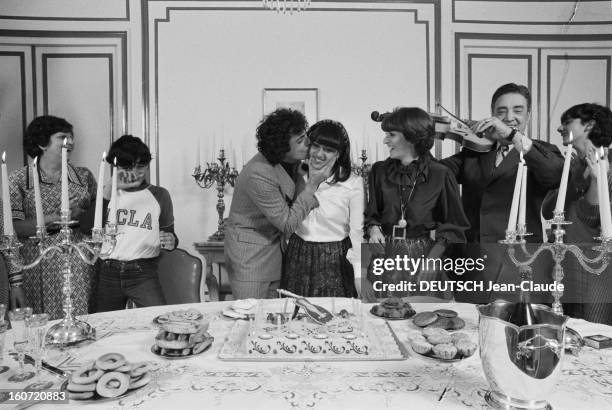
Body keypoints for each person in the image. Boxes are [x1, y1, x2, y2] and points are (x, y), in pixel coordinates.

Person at [440, 83, 564, 303]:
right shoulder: (474, 151)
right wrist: (417, 138)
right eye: (501, 111)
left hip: (520, 264)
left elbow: (555, 174)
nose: (509, 117)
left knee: (519, 333)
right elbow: (437, 174)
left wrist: (512, 135)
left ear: (528, 115)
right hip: (474, 266)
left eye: (517, 110)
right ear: (492, 115)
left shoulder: (542, 151)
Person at [225, 108, 334, 299]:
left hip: (274, 255)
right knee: (251, 317)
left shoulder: (291, 163)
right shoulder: (259, 173)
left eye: (305, 136)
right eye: (300, 141)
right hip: (251, 260)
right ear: (282, 147)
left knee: (271, 321)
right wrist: (312, 184)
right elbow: (287, 223)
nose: (308, 144)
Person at [363, 107, 470, 300]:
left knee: (420, 319)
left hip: (423, 258)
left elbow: (455, 227)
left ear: (411, 137)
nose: (385, 140)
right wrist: (374, 229)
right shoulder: (378, 171)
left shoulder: (440, 174)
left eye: (391, 135)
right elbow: (372, 215)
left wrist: (433, 260)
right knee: (382, 316)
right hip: (384, 256)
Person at [9, 115, 97, 319]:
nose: (71, 142)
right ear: (42, 143)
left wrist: (80, 215)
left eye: (72, 137)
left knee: (81, 322)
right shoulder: (19, 181)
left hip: (79, 261)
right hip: (37, 261)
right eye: (63, 137)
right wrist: (53, 217)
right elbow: (13, 230)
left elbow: (98, 219)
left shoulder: (84, 177)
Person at [90, 135, 178, 312]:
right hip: (108, 271)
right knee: (104, 325)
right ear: (116, 166)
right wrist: (108, 193)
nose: (135, 173)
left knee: (159, 320)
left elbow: (170, 234)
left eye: (141, 166)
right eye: (128, 167)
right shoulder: (106, 194)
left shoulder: (159, 195)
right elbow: (87, 227)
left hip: (143, 272)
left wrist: (171, 241)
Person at [542, 103, 612, 324]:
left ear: (589, 125)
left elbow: (591, 218)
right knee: (562, 330)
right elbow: (548, 210)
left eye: (567, 122)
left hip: (596, 270)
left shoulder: (607, 163)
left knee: (592, 334)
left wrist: (595, 181)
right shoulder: (572, 166)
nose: (559, 128)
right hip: (563, 264)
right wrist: (576, 178)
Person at [282, 120, 363, 297]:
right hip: (297, 255)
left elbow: (358, 233)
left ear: (339, 154)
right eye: (316, 146)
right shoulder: (295, 175)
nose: (319, 154)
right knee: (295, 317)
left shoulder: (353, 183)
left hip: (335, 258)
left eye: (328, 150)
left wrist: (359, 274)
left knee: (335, 319)